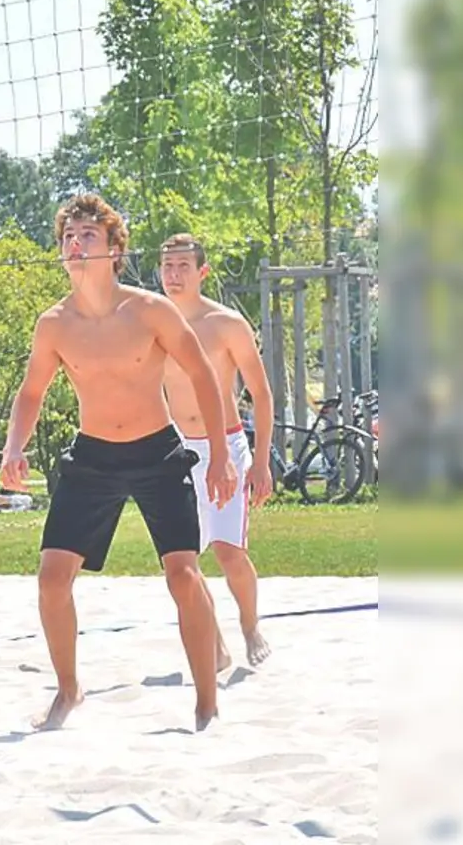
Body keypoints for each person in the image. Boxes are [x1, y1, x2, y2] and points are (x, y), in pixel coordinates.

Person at [0, 194, 234, 733]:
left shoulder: (149, 309)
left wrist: (220, 454)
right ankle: (68, 690)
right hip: (93, 457)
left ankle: (206, 703)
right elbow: (31, 391)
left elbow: (202, 374)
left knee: (183, 574)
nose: (76, 245)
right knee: (52, 578)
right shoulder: (54, 323)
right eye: (68, 237)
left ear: (114, 249)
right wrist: (14, 446)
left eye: (87, 236)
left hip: (157, 451)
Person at [157, 234, 276, 669]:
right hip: (176, 450)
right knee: (184, 560)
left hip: (225, 445)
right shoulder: (153, 323)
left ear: (202, 272)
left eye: (183, 266)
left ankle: (249, 625)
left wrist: (261, 462)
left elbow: (261, 395)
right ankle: (217, 643)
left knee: (229, 553)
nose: (173, 275)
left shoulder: (226, 324)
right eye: (167, 266)